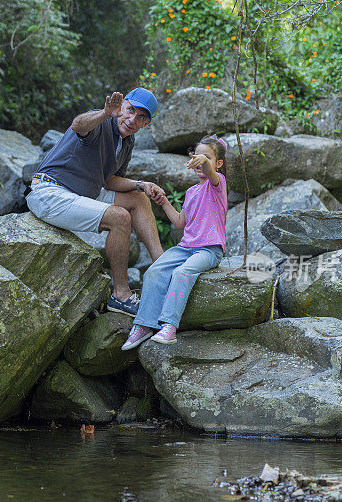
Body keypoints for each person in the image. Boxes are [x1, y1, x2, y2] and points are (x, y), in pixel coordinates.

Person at [25, 88, 165, 316]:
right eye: (129, 111)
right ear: (121, 107)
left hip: (80, 194)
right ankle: (121, 295)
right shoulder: (101, 120)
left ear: (146, 124)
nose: (131, 120)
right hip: (50, 191)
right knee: (120, 218)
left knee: (138, 197)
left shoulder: (127, 141)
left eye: (141, 117)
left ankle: (163, 268)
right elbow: (78, 125)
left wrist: (141, 184)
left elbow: (109, 181)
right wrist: (104, 113)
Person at [121, 135, 228, 349]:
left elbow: (209, 171)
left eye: (206, 157)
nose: (200, 160)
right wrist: (164, 202)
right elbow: (180, 222)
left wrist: (204, 162)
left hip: (209, 250)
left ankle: (169, 325)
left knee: (182, 273)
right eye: (196, 156)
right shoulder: (191, 192)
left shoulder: (218, 184)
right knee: (154, 271)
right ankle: (144, 325)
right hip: (185, 247)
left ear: (218, 164)